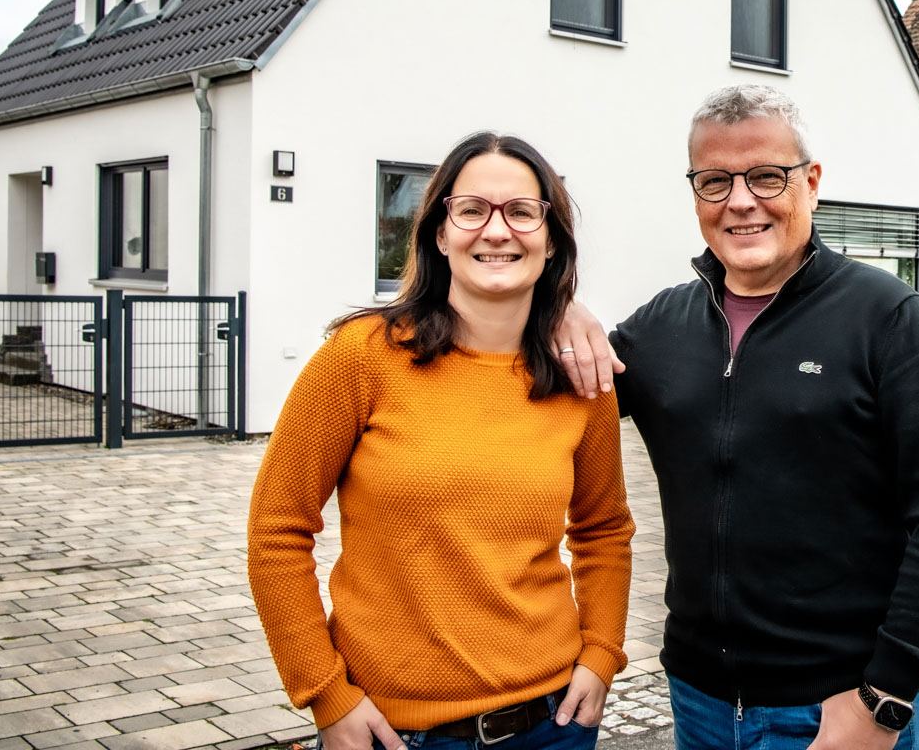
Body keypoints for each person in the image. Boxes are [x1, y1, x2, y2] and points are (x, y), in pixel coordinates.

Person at [558, 86, 919, 750]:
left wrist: (884, 699)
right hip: (698, 701)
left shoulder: (886, 319)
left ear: (811, 183)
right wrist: (558, 310)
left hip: (836, 708)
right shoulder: (661, 330)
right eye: (715, 181)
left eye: (765, 176)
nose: (740, 201)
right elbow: (544, 384)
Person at [249, 131, 633, 750]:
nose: (497, 230)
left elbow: (604, 529)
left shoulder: (578, 374)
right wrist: (325, 695)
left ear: (551, 236)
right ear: (439, 232)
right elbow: (275, 530)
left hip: (552, 725)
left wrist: (601, 653)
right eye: (472, 210)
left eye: (522, 212)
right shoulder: (362, 356)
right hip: (392, 732)